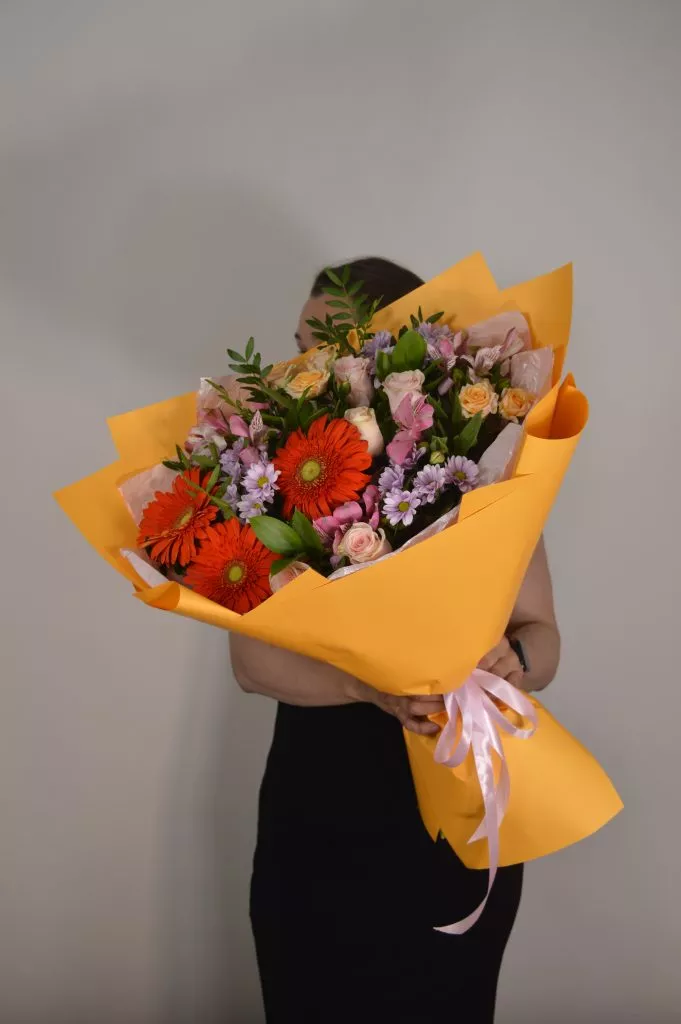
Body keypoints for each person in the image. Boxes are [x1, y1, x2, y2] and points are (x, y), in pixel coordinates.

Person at [230, 257, 560, 1023]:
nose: (300, 369)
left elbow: (542, 639)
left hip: (451, 802)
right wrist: (366, 688)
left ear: (393, 355)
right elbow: (250, 663)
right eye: (298, 347)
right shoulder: (268, 485)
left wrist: (512, 661)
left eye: (326, 347)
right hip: (316, 811)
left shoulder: (481, 474)